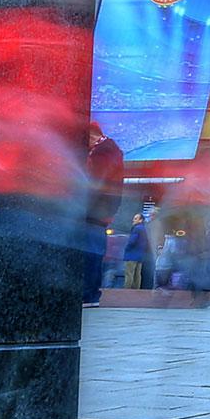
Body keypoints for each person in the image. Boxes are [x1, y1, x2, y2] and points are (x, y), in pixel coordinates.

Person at [82, 122, 124, 306]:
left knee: (90, 251)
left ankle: (89, 294)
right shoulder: (110, 150)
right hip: (101, 211)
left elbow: (95, 182)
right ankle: (90, 294)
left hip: (94, 211)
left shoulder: (103, 153)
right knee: (94, 251)